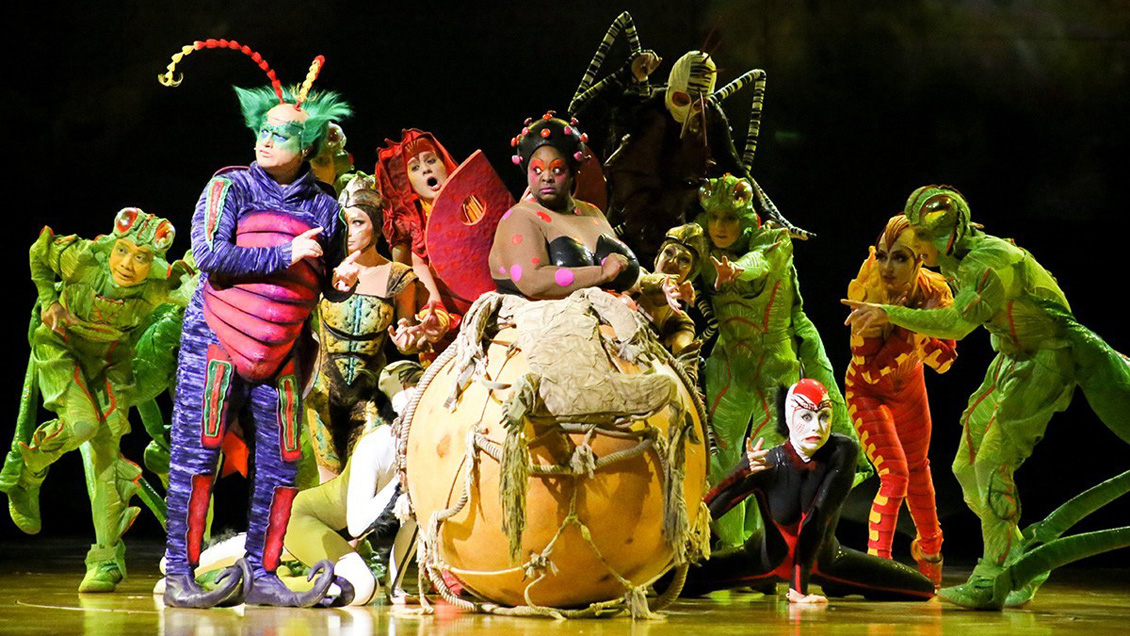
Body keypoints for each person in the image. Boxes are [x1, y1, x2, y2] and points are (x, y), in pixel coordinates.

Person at [843, 185, 1130, 609]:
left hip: (1049, 356)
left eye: (921, 240)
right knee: (965, 468)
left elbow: (956, 328)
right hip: (1010, 357)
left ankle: (992, 576)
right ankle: (1017, 558)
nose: (916, 249)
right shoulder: (949, 263)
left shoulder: (988, 262)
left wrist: (894, 317)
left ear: (946, 234)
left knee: (990, 464)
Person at [156, 39, 354, 608]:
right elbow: (211, 257)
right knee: (199, 453)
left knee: (283, 461)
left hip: (283, 351)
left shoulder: (325, 206)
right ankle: (180, 572)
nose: (265, 139)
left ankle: (264, 573)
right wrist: (284, 255)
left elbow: (326, 272)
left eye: (281, 133)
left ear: (306, 144)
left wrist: (335, 282)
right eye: (262, 129)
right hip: (216, 340)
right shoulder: (230, 186)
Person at [3, 208, 181, 592]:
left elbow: (195, 292)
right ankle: (27, 474)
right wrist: (48, 299)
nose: (128, 264)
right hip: (62, 348)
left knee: (106, 451)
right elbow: (39, 251)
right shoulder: (82, 258)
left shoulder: (157, 284)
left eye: (141, 257)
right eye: (123, 251)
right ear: (112, 246)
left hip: (110, 360)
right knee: (82, 424)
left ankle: (105, 559)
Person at [696, 174, 865, 548]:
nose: (720, 226)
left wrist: (735, 270)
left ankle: (766, 544)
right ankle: (729, 544)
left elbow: (759, 262)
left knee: (771, 458)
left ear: (746, 218)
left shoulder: (775, 241)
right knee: (721, 453)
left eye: (730, 218)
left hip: (775, 362)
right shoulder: (700, 242)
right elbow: (674, 258)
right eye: (714, 217)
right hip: (729, 361)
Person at [683, 379, 934, 603]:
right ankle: (764, 582)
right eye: (806, 417)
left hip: (827, 562)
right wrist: (740, 470)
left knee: (923, 589)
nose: (817, 427)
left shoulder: (842, 452)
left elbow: (816, 518)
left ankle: (834, 586)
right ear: (789, 418)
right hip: (764, 560)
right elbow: (707, 511)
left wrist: (798, 590)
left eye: (823, 416)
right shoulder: (768, 463)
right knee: (671, 582)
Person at [305, 176, 443, 480]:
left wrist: (411, 338)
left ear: (377, 226)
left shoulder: (398, 277)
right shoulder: (324, 271)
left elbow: (406, 335)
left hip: (370, 399)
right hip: (322, 398)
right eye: (344, 223)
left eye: (358, 223)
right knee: (326, 489)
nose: (349, 232)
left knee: (363, 484)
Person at [844, 215, 957, 586]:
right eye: (882, 255)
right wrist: (914, 328)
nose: (887, 267)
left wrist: (910, 326)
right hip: (867, 392)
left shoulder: (934, 292)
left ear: (920, 259)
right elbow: (871, 371)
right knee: (895, 475)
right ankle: (878, 568)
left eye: (900, 257)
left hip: (909, 388)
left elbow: (945, 363)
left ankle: (931, 553)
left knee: (919, 470)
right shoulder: (867, 292)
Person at [489, 113, 638, 299]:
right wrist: (601, 273)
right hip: (543, 312)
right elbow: (532, 282)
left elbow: (619, 268)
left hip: (611, 307)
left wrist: (656, 284)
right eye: (537, 170)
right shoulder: (520, 217)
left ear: (572, 172)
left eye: (557, 169)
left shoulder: (592, 212)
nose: (547, 177)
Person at [375, 129, 462, 338]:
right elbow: (420, 275)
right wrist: (436, 317)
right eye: (415, 167)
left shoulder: (473, 205)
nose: (425, 169)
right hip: (450, 330)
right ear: (409, 183)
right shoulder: (417, 230)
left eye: (431, 160)